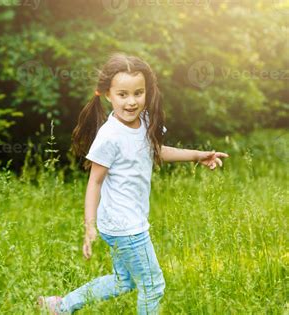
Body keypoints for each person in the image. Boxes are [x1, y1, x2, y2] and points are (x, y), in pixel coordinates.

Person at [38, 54, 229, 314]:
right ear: (107, 94)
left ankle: (61, 306)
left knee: (123, 281)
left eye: (138, 93)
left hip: (122, 223)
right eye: (123, 94)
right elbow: (94, 182)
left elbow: (156, 151)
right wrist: (89, 227)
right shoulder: (109, 136)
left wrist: (198, 155)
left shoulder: (146, 120)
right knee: (153, 285)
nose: (131, 101)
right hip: (124, 226)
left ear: (147, 92)